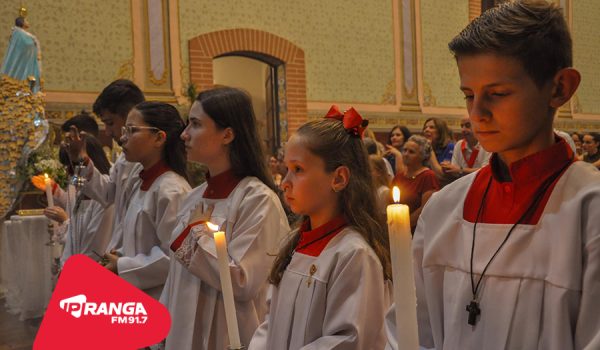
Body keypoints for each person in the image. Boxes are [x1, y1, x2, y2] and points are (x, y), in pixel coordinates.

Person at [388, 2, 600, 349]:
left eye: (497, 94)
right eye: (469, 95)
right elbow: (408, 331)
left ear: (560, 88)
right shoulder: (444, 211)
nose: (477, 113)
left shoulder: (589, 212)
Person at [249, 105, 391, 349]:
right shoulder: (292, 243)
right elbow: (271, 322)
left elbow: (348, 340)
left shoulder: (353, 253)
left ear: (338, 178)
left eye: (298, 170)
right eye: (286, 170)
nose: (285, 183)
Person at [160, 87, 290, 350]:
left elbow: (242, 281)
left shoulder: (257, 200)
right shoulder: (193, 198)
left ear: (228, 134)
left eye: (195, 124)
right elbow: (176, 279)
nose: (184, 135)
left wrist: (196, 235)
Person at [68, 80, 145, 253]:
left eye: (110, 123)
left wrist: (122, 264)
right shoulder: (124, 160)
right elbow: (108, 194)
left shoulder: (161, 174)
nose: (108, 132)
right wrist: (82, 160)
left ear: (131, 116)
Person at [391, 135, 439, 232]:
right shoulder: (399, 177)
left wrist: (404, 224)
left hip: (418, 230)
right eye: (404, 150)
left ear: (422, 156)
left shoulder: (428, 176)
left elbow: (425, 209)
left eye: (411, 152)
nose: (406, 154)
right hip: (396, 229)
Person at [1, 16, 42, 92]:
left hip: (26, 61)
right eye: (26, 20)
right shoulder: (18, 33)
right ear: (22, 23)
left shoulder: (23, 34)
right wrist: (33, 43)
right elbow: (26, 44)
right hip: (21, 61)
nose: (28, 22)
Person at [422, 117, 455, 186]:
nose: (426, 130)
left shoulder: (450, 147)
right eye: (425, 128)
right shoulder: (423, 149)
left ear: (440, 131)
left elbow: (441, 176)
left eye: (431, 127)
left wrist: (429, 148)